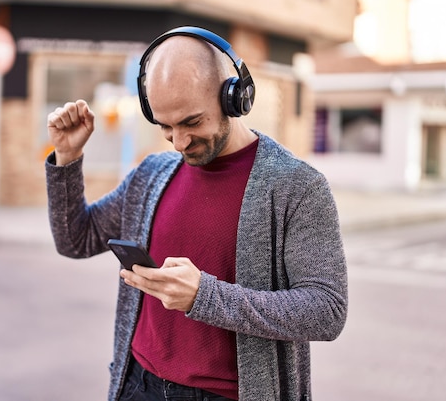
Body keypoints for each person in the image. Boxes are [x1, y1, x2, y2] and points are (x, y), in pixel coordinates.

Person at [45, 26, 348, 401]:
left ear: (234, 98)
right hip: (137, 384)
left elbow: (326, 310)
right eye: (165, 127)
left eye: (191, 122)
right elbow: (75, 239)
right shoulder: (152, 174)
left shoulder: (295, 186)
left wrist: (204, 296)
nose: (180, 142)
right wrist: (67, 158)